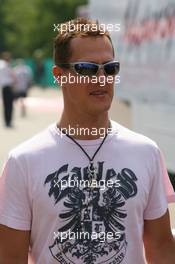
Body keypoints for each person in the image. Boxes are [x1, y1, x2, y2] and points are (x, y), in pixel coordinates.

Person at [0, 17, 175, 264]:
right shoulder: (23, 161)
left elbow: (161, 246)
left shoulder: (146, 152)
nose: (102, 78)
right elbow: (10, 258)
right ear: (59, 75)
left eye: (110, 68)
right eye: (87, 69)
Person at [0, 52, 15, 127]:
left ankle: (6, 122)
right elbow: (13, 76)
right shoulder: (8, 66)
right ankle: (8, 122)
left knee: (5, 105)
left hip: (3, 87)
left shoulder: (1, 65)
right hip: (8, 87)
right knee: (9, 106)